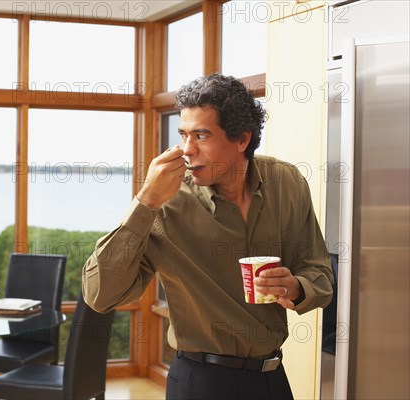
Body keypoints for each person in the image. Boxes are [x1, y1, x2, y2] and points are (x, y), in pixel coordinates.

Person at [82, 73, 334, 399]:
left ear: (242, 139)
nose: (187, 150)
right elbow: (99, 294)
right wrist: (146, 200)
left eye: (201, 135)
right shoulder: (166, 200)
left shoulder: (287, 182)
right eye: (183, 135)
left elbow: (320, 272)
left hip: (272, 379)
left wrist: (297, 287)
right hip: (200, 382)